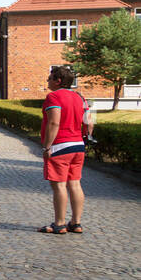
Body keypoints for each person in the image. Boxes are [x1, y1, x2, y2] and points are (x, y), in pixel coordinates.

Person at [40, 65, 86, 234]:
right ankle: (76, 222)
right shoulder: (79, 97)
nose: (47, 81)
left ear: (58, 81)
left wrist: (47, 146)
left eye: (50, 78)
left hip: (60, 146)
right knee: (75, 183)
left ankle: (59, 224)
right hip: (78, 145)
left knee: (59, 186)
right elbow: (89, 121)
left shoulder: (54, 97)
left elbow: (54, 122)